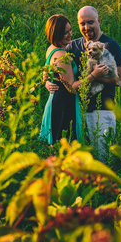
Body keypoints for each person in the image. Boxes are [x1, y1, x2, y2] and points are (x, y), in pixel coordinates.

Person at [46, 6, 121, 158]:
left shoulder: (111, 46)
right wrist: (47, 80)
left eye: (90, 22)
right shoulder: (72, 45)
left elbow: (118, 80)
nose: (86, 27)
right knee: (79, 161)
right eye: (82, 24)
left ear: (99, 21)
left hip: (100, 111)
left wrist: (95, 75)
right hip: (76, 111)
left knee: (102, 158)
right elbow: (55, 63)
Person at [39, 14, 86, 145]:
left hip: (58, 100)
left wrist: (46, 81)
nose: (70, 34)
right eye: (65, 32)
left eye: (70, 30)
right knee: (65, 146)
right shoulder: (62, 55)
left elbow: (47, 71)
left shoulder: (51, 49)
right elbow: (71, 87)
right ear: (56, 34)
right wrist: (94, 75)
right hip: (64, 105)